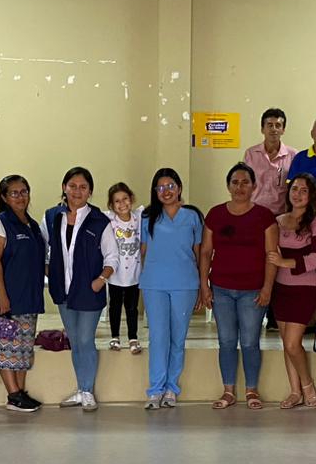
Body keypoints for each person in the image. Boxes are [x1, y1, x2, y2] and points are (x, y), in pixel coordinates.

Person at [201, 162, 279, 410]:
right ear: (228, 186)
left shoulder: (265, 217)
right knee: (226, 341)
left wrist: (267, 288)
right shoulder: (215, 214)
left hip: (253, 291)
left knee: (249, 342)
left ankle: (252, 390)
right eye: (235, 182)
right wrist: (204, 286)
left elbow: (272, 255)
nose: (240, 187)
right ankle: (228, 391)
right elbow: (205, 252)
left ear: (254, 186)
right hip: (221, 289)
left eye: (245, 182)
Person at [44, 166, 119, 412]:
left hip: (89, 290)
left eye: (83, 187)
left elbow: (112, 256)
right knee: (75, 341)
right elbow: (42, 246)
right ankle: (80, 389)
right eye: (72, 186)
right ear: (64, 188)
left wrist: (101, 279)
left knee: (86, 339)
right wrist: (48, 268)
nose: (77, 191)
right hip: (63, 290)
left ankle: (87, 391)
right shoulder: (52, 216)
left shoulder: (99, 221)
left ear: (90, 191)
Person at [140, 168, 203, 409]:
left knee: (178, 338)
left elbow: (199, 253)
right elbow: (143, 252)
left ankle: (171, 388)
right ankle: (155, 390)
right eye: (160, 187)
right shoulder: (148, 217)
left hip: (185, 285)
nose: (166, 191)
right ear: (154, 192)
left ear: (179, 188)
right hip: (154, 284)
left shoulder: (192, 216)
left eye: (170, 186)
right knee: (158, 337)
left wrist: (203, 285)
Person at [0, 174, 48, 413]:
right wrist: (1, 294)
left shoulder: (32, 225)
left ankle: (20, 393)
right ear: (4, 197)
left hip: (29, 297)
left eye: (24, 192)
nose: (20, 197)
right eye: (14, 193)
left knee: (23, 348)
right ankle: (12, 394)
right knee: (4, 347)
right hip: (7, 298)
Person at [269, 173, 316, 409]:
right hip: (279, 289)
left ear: (311, 195)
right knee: (287, 344)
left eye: (304, 190)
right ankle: (294, 392)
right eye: (294, 189)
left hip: (304, 290)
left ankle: (307, 385)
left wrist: (286, 262)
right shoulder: (278, 221)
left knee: (293, 343)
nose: (298, 194)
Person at [103, 183, 143, 353]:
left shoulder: (138, 217)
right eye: (117, 201)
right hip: (115, 274)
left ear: (131, 199)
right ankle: (115, 337)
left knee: (132, 308)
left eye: (125, 199)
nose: (122, 204)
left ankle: (133, 338)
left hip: (134, 274)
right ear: (112, 205)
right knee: (115, 306)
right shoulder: (110, 220)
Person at [242, 108, 296, 216]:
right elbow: (245, 184)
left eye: (278, 125)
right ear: (262, 129)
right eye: (270, 125)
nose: (274, 129)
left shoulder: (293, 155)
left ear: (283, 130)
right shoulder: (251, 154)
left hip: (281, 215)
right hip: (254, 213)